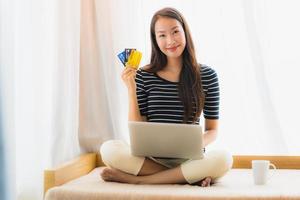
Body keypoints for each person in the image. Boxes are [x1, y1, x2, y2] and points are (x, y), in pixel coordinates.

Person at [100, 7, 232, 187]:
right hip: (152, 160)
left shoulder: (207, 75)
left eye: (175, 32)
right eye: (162, 35)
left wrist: (191, 144)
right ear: (155, 39)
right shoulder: (144, 75)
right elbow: (138, 127)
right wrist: (131, 89)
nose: (170, 40)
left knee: (224, 159)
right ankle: (187, 177)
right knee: (109, 149)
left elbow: (212, 130)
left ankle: (138, 180)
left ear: (185, 31)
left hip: (190, 159)